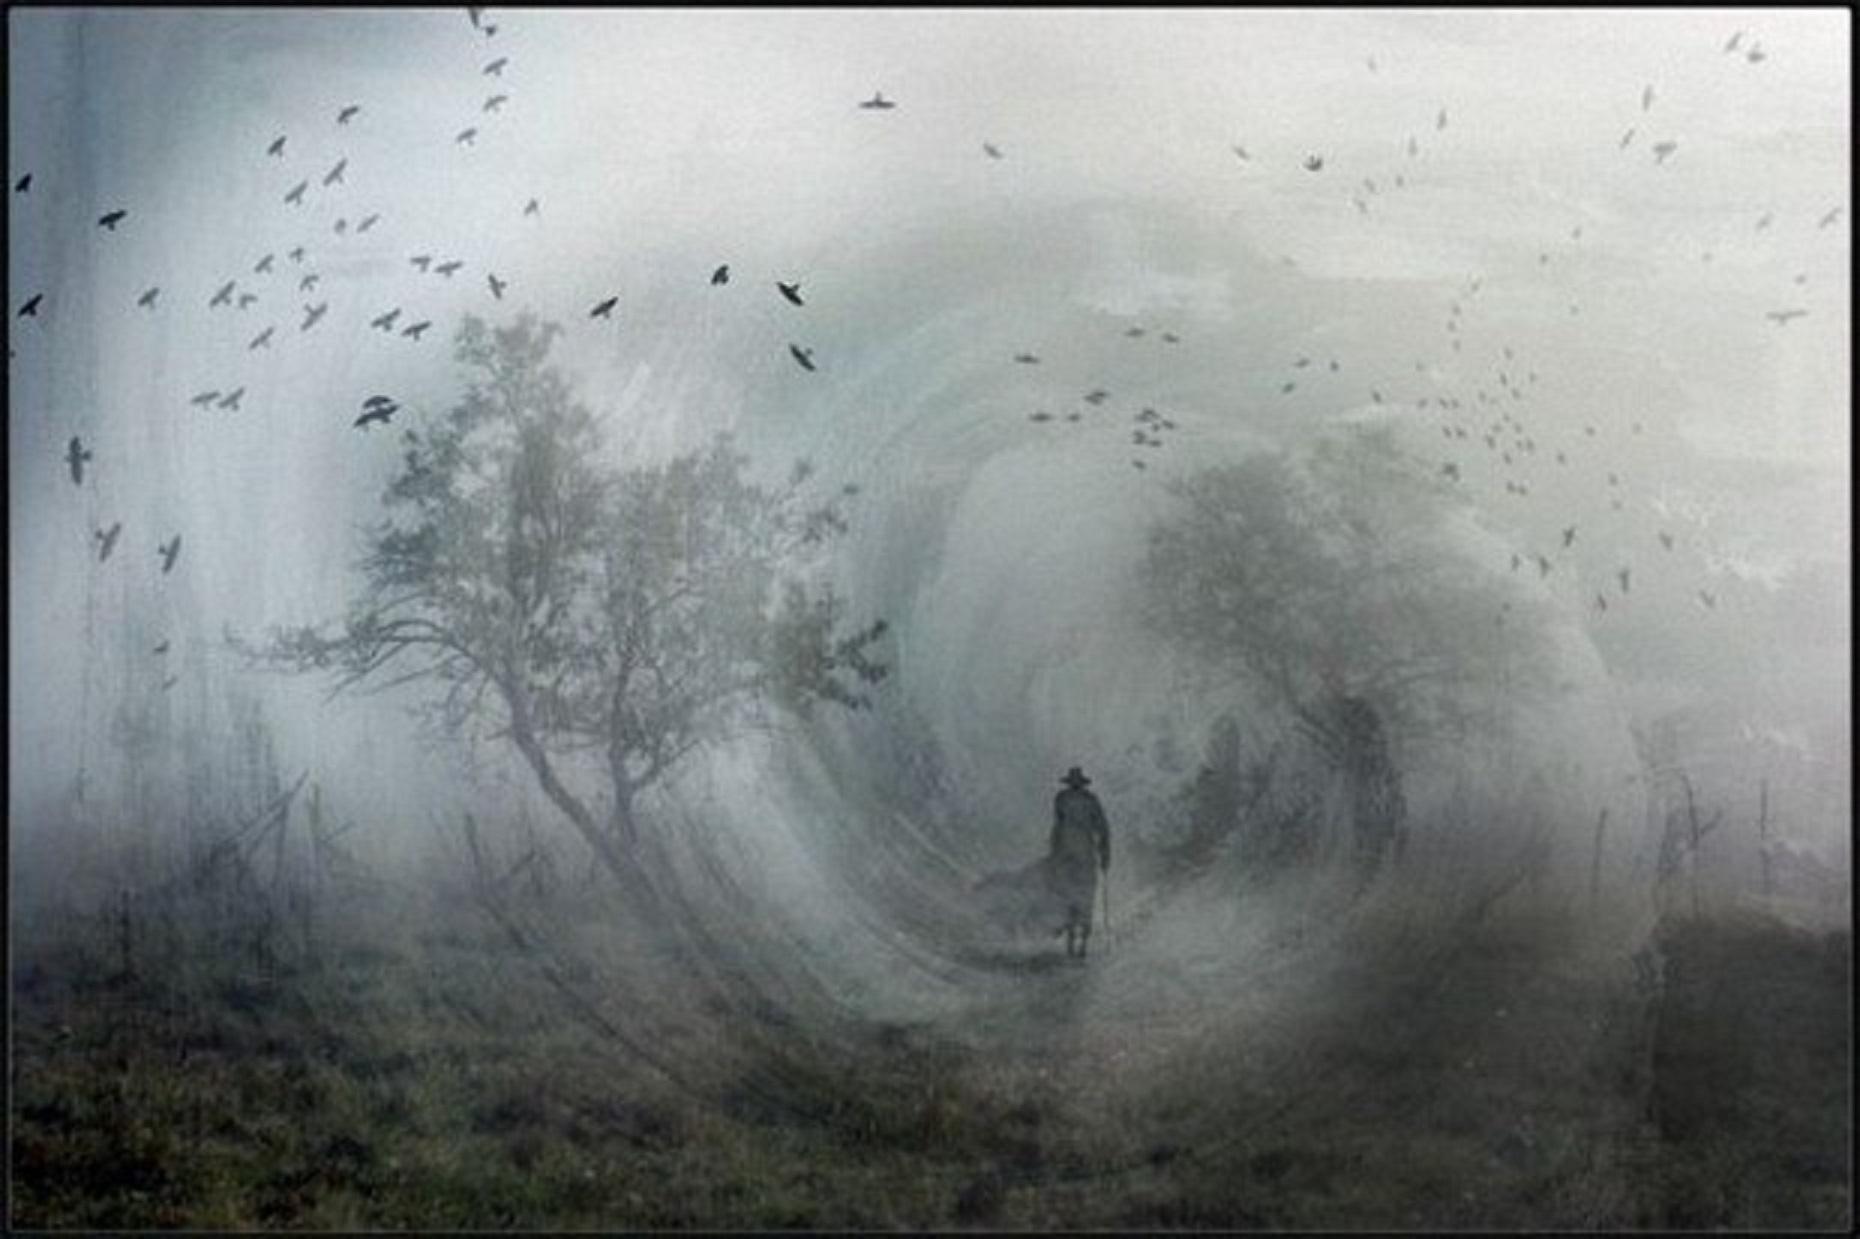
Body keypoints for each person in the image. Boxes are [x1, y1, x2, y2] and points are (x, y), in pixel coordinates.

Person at [1048, 766, 1111, 958]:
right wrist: (1105, 855)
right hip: (1083, 855)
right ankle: (1081, 942)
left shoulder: (1062, 798)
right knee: (1085, 896)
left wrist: (1053, 853)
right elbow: (1103, 830)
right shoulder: (1090, 800)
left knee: (1068, 894)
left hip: (1068, 855)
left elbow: (1057, 828)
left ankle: (1073, 941)